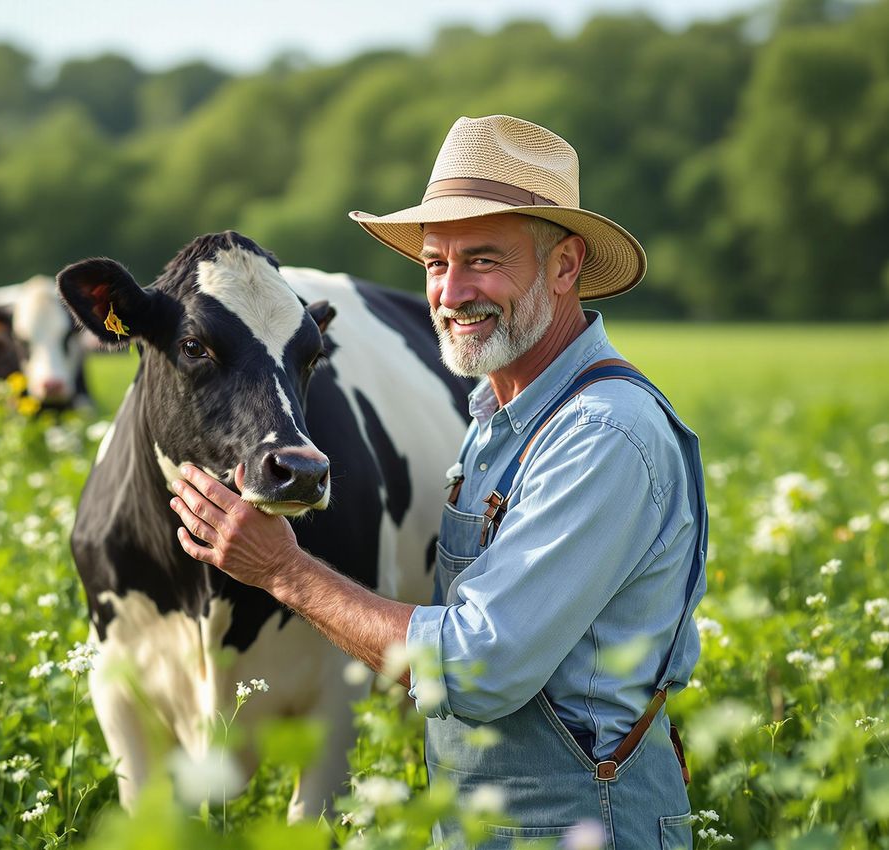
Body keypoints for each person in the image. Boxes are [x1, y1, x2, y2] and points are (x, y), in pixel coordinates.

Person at [167, 114, 706, 849]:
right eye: (434, 264)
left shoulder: (601, 433)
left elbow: (478, 669)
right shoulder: (497, 418)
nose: (451, 293)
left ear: (566, 266)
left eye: (483, 260)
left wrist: (284, 571)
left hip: (583, 826)